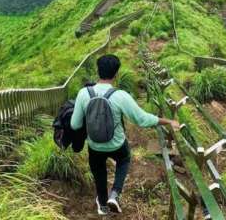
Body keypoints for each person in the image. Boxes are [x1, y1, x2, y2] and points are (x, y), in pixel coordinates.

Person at [70, 54, 180, 215]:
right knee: (124, 159)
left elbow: (75, 124)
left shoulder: (83, 93)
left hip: (94, 146)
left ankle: (102, 205)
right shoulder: (120, 95)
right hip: (117, 144)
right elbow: (143, 120)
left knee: (99, 172)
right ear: (116, 74)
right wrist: (168, 121)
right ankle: (115, 194)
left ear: (97, 71)